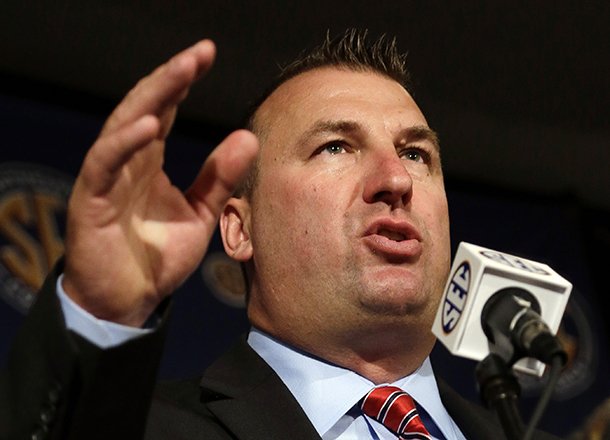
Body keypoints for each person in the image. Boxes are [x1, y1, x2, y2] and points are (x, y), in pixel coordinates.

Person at [0, 29, 560, 440]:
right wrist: (98, 310)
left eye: (416, 154)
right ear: (240, 229)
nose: (395, 180)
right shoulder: (144, 427)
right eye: (335, 147)